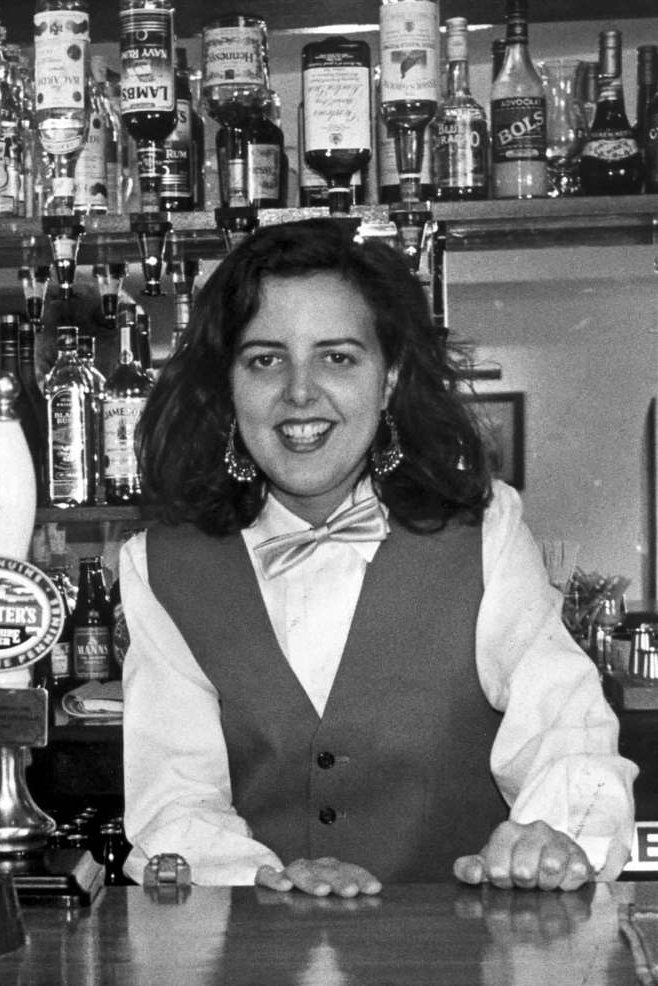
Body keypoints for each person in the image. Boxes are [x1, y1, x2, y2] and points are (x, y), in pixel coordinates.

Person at [120, 218, 636, 896]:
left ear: (388, 380)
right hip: (256, 975)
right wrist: (266, 878)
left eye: (337, 357)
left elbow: (563, 721)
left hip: (456, 976)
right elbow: (173, 799)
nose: (299, 393)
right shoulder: (160, 566)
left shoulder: (484, 530)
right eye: (265, 359)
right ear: (227, 386)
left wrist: (554, 834)